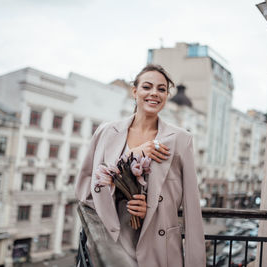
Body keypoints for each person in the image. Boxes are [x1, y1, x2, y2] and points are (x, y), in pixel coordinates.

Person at [75, 64, 206, 267]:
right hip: (113, 244)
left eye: (161, 89)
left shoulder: (181, 139)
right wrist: (133, 154)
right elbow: (85, 190)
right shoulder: (106, 132)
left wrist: (150, 208)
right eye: (147, 87)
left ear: (167, 96)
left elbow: (191, 205)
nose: (154, 93)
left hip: (159, 246)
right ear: (135, 91)